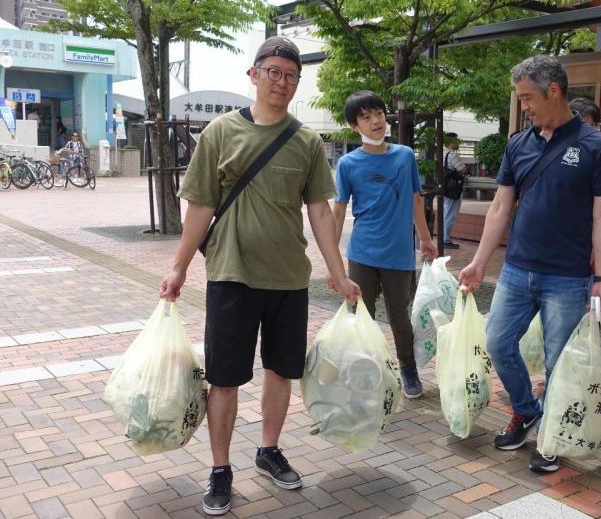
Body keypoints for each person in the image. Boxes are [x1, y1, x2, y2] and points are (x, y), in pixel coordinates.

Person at [160, 36, 360, 516]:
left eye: (291, 75)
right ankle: (220, 469)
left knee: (280, 371)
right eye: (273, 72)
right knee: (224, 378)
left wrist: (337, 273)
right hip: (231, 274)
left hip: (289, 278)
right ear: (254, 74)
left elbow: (319, 212)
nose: (282, 82)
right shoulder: (220, 133)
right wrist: (178, 266)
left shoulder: (307, 141)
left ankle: (268, 450)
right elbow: (201, 206)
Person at [459, 55, 601, 474]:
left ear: (554, 91)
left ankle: (551, 435)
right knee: (496, 343)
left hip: (566, 277)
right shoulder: (518, 143)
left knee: (558, 362)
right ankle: (526, 410)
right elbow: (499, 208)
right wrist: (479, 262)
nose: (524, 105)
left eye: (528, 97)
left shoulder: (597, 146)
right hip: (516, 270)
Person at [332, 90, 438, 399]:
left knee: (399, 316)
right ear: (355, 126)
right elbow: (338, 210)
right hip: (362, 252)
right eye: (366, 117)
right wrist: (333, 260)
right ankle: (361, 369)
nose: (376, 121)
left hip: (398, 253)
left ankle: (408, 369)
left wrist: (427, 239)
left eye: (378, 113)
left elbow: (416, 200)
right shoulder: (348, 164)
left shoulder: (404, 156)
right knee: (358, 314)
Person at [443, 132, 466, 249]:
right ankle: (445, 239)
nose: (458, 144)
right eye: (457, 141)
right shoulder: (452, 155)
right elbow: (462, 169)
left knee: (445, 212)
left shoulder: (441, 153)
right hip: (453, 189)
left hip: (444, 187)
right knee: (450, 214)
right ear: (451, 142)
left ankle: (444, 238)